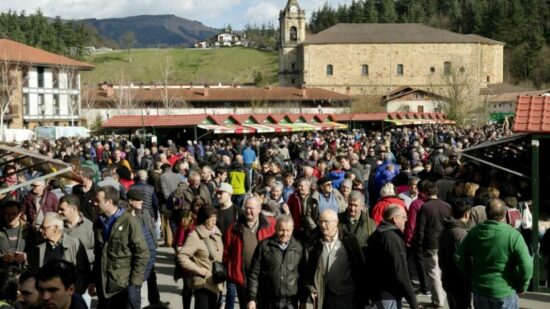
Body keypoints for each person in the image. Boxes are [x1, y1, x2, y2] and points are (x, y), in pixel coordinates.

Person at [455, 199, 533, 308]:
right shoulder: (513, 235)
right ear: (505, 213)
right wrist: (522, 286)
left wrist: (472, 277)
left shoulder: (474, 232)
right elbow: (527, 265)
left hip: (480, 289)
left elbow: (459, 257)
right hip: (505, 290)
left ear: (486, 213)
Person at [89, 186, 149, 309]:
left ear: (109, 202)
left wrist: (135, 284)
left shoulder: (130, 222)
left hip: (123, 287)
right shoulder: (98, 223)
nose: (94, 203)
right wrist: (93, 280)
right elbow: (98, 254)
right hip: (104, 288)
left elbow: (142, 253)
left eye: (98, 201)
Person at [302, 209, 364, 309]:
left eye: (326, 221)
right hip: (325, 297)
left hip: (348, 297)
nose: (322, 225)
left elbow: (360, 266)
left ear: (335, 222)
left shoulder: (348, 239)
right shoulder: (314, 242)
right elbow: (307, 269)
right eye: (320, 221)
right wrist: (310, 288)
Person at [223, 196, 276, 309]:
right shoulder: (234, 228)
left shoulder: (270, 225)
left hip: (264, 277)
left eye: (251, 208)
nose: (248, 211)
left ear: (259, 209)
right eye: (246, 208)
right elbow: (226, 252)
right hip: (243, 277)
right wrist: (230, 271)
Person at [365, 205, 418, 309]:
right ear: (395, 219)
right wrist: (413, 301)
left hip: (377, 292)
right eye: (404, 217)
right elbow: (401, 271)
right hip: (389, 294)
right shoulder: (392, 238)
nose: (406, 220)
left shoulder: (378, 233)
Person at [247, 215, 303, 309]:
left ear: (292, 229)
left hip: (290, 302)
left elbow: (302, 276)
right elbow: (254, 274)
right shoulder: (264, 246)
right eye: (281, 230)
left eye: (288, 230)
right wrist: (252, 298)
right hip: (267, 301)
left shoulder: (298, 248)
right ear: (275, 228)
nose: (285, 234)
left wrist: (303, 300)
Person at [126, 189, 169, 309]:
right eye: (138, 199)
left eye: (142, 199)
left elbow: (150, 229)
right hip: (136, 264)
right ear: (130, 201)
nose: (141, 201)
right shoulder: (126, 217)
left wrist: (154, 243)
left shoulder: (144, 213)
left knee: (146, 290)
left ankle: (154, 299)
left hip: (146, 258)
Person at [413, 181, 451, 308]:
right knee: (442, 272)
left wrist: (418, 244)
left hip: (430, 244)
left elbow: (420, 229)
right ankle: (442, 297)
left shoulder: (425, 207)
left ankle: (438, 300)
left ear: (425, 193)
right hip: (444, 243)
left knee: (433, 273)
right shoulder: (446, 206)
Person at [178, 205, 223, 309]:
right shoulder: (194, 236)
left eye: (215, 220)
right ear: (203, 219)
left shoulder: (217, 233)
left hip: (215, 282)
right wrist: (198, 270)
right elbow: (182, 257)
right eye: (211, 220)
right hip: (202, 284)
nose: (214, 223)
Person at [438, 200, 471, 309]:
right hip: (459, 280)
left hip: (447, 276)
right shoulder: (461, 233)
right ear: (466, 214)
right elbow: (463, 259)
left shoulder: (446, 229)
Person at [0, 200, 34, 269]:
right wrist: (2, 257)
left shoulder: (28, 229)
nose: (11, 217)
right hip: (3, 271)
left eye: (14, 214)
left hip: (23, 271)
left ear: (19, 214)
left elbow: (36, 249)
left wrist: (25, 256)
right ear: (3, 214)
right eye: (7, 214)